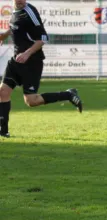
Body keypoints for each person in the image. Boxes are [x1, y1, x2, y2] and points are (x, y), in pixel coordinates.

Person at [0, 0, 82, 138]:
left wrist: (27, 53)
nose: (20, 1)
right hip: (16, 60)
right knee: (3, 92)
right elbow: (18, 26)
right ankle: (3, 131)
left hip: (32, 62)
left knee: (31, 101)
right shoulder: (16, 10)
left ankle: (68, 95)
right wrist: (5, 34)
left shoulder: (30, 12)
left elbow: (43, 38)